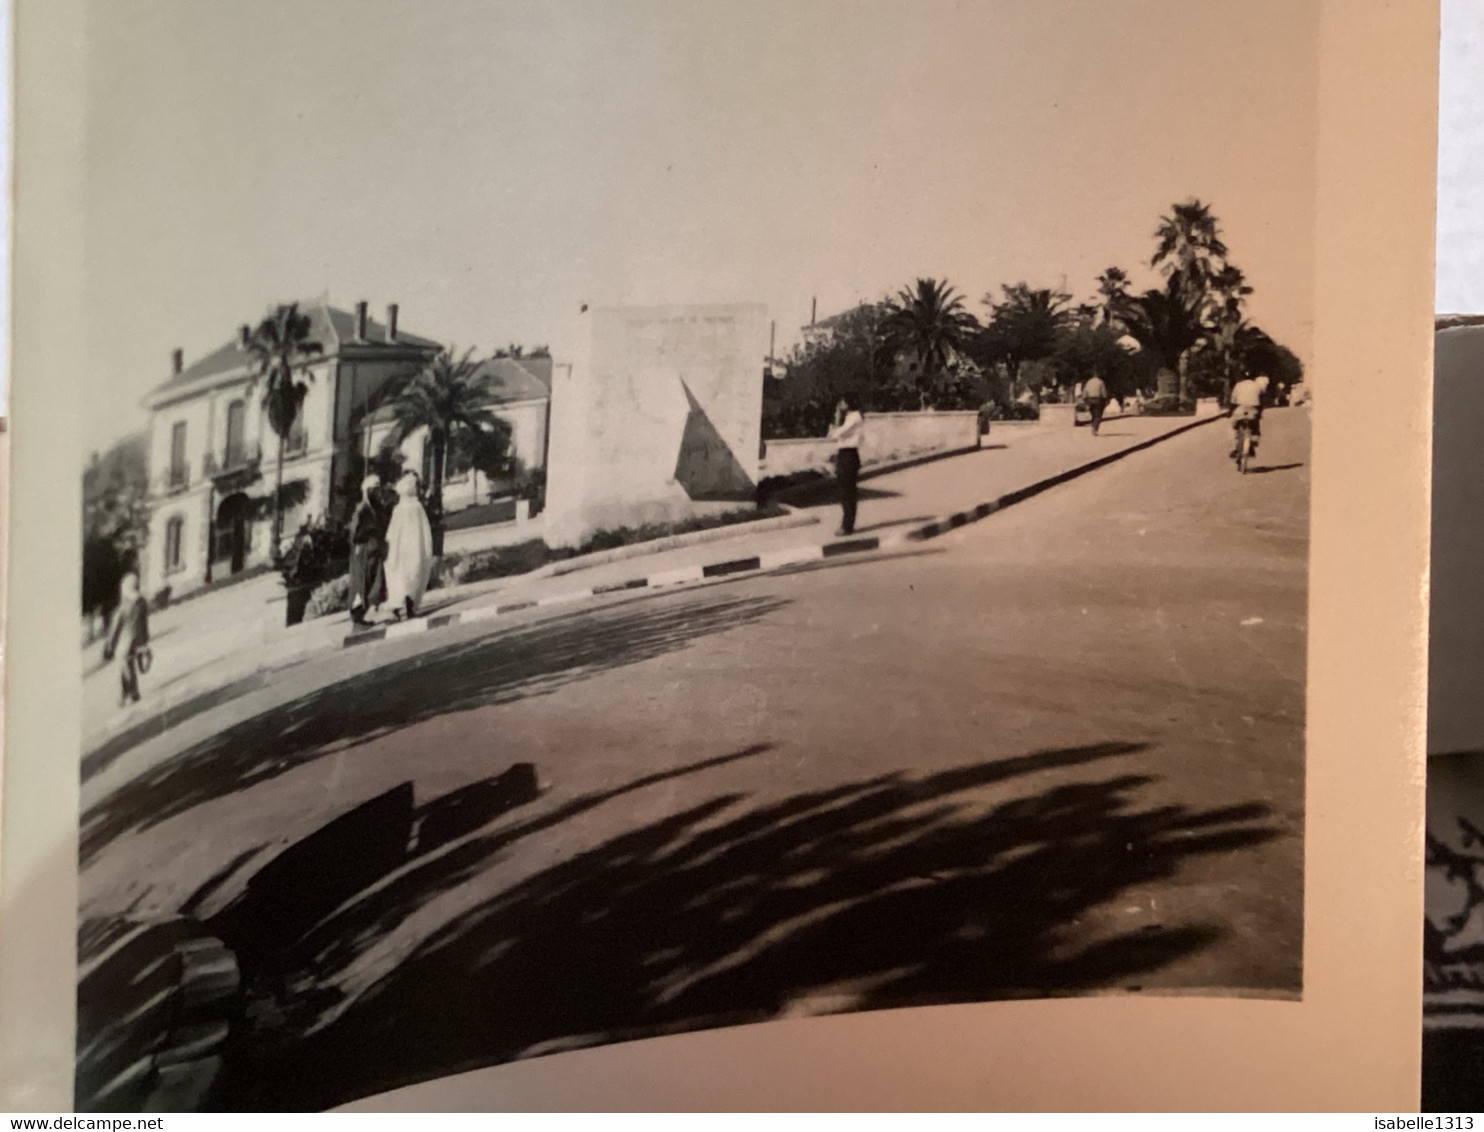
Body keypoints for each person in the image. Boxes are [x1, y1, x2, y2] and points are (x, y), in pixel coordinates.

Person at [383, 470, 435, 620]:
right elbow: (424, 532)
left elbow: (393, 533)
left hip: (403, 549)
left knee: (403, 575)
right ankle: (406, 605)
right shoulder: (414, 507)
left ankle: (402, 605)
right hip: (412, 549)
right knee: (410, 575)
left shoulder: (402, 508)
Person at [103, 572, 150, 706]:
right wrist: (145, 641)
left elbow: (115, 629)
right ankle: (123, 695)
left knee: (126, 667)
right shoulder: (142, 604)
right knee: (128, 666)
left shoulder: (123, 608)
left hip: (124, 643)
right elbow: (145, 623)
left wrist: (109, 646)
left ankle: (133, 693)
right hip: (138, 641)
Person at [347, 474, 387, 626]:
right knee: (361, 582)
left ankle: (364, 613)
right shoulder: (362, 509)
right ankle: (357, 616)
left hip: (372, 551)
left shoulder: (375, 508)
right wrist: (370, 531)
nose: (377, 493)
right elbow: (355, 533)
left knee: (373, 581)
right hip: (363, 551)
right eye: (374, 490)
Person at [827, 394, 865, 536]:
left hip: (849, 454)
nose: (840, 404)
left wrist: (836, 425)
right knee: (844, 491)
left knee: (848, 491)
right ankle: (846, 523)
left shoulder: (855, 417)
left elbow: (836, 433)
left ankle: (847, 526)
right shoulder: (847, 417)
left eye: (842, 402)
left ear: (849, 403)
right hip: (843, 454)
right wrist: (837, 418)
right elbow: (831, 434)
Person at [1229, 374, 1270, 459]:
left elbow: (1233, 401)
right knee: (1255, 426)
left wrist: (1229, 412)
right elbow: (1261, 401)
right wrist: (1259, 413)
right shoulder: (1257, 386)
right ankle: (1253, 442)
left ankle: (1237, 448)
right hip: (1253, 409)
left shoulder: (1238, 385)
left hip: (1240, 409)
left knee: (1235, 425)